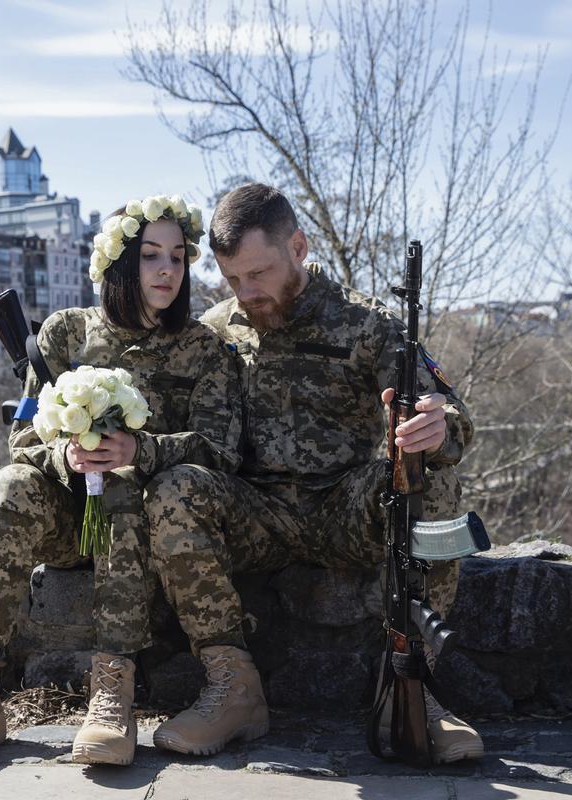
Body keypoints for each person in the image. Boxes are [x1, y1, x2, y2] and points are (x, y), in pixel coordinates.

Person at [143, 183, 483, 764]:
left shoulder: (366, 322)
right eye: (232, 280)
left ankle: (413, 684)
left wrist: (439, 427)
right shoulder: (219, 329)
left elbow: (452, 412)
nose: (246, 293)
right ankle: (232, 688)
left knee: (430, 478)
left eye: (259, 273)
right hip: (255, 512)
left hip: (344, 507)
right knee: (174, 489)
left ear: (297, 246)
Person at [0, 195, 241, 767]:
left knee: (119, 482)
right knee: (7, 487)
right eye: (149, 256)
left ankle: (111, 695)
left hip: (147, 523)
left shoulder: (205, 350)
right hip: (69, 520)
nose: (167, 269)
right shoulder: (64, 335)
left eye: (177, 256)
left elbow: (221, 449)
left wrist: (138, 450)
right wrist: (67, 455)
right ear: (119, 263)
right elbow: (22, 441)